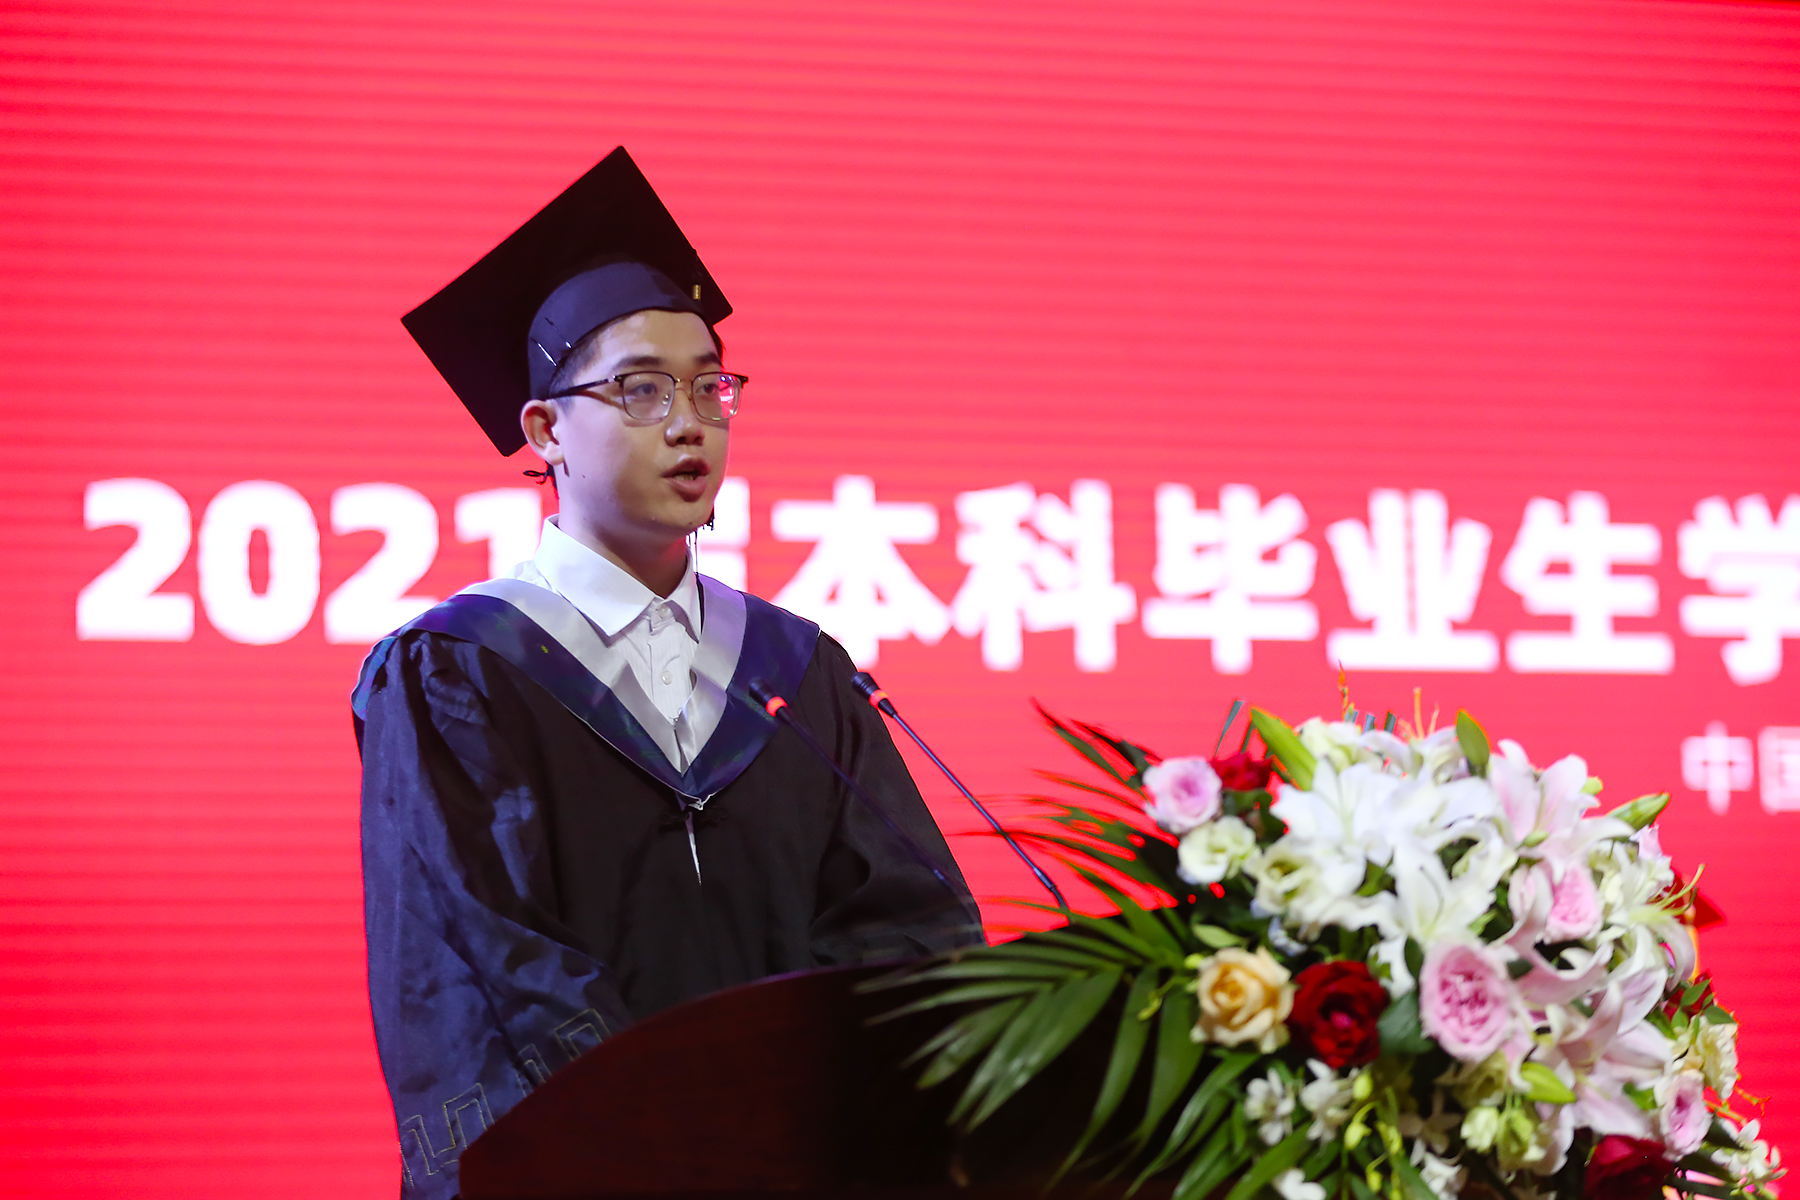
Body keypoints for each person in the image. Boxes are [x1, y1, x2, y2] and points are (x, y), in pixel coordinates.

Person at [353, 147, 983, 1198]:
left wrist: (811, 1117)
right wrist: (673, 1128)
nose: (689, 422)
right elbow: (495, 970)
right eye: (641, 390)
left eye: (709, 387)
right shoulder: (461, 672)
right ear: (547, 431)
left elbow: (906, 925)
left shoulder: (795, 669)